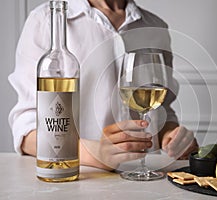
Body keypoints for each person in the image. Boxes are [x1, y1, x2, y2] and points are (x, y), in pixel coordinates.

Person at [8, 0, 199, 171]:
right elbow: (26, 132)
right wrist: (92, 154)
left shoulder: (156, 27)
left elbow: (161, 108)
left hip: (147, 177)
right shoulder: (45, 20)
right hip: (79, 179)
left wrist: (172, 136)